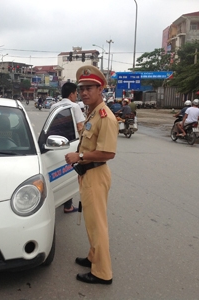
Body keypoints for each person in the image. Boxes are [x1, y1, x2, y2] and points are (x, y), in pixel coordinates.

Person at [65, 65, 118, 285]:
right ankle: (92, 257)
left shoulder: (105, 117)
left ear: (100, 88)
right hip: (89, 174)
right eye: (82, 88)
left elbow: (108, 153)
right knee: (90, 222)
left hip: (96, 173)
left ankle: (102, 273)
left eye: (90, 88)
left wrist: (80, 157)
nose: (84, 92)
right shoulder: (93, 113)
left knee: (98, 225)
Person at [50, 82, 85, 214]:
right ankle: (68, 205)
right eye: (76, 93)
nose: (76, 95)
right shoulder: (74, 106)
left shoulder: (54, 106)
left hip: (54, 144)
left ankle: (59, 200)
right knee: (69, 173)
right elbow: (80, 127)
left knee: (56, 174)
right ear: (71, 94)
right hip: (69, 144)